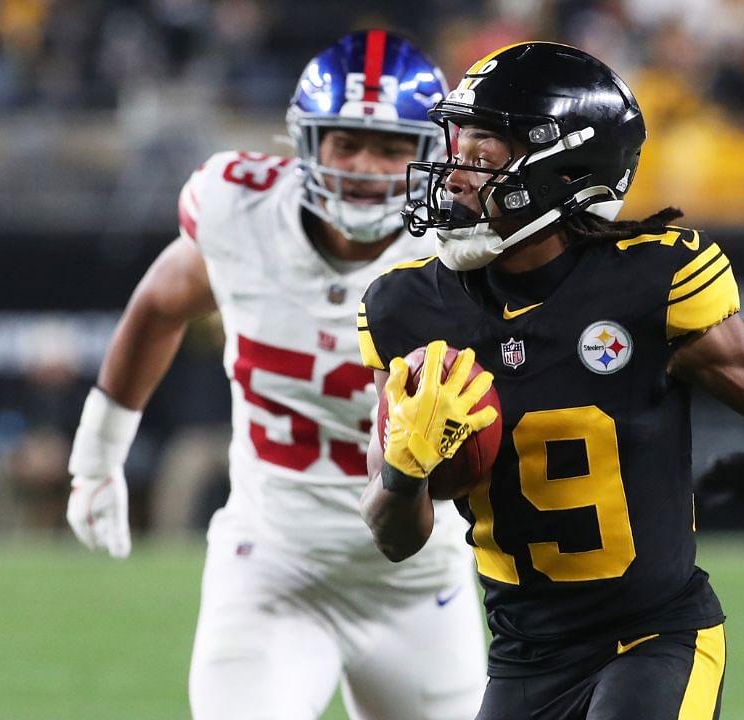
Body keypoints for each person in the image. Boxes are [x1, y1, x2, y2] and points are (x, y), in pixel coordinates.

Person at [357, 41, 744, 720]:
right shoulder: (407, 309)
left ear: (563, 170)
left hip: (656, 639)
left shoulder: (648, 285)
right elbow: (394, 537)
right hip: (523, 660)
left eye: (484, 153)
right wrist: (404, 469)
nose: (454, 175)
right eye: (458, 145)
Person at [65, 31, 487, 720]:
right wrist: (98, 453)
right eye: (345, 142)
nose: (365, 166)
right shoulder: (243, 213)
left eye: (389, 147)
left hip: (420, 582)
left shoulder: (467, 249)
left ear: (429, 155)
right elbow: (159, 303)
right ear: (305, 143)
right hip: (272, 568)